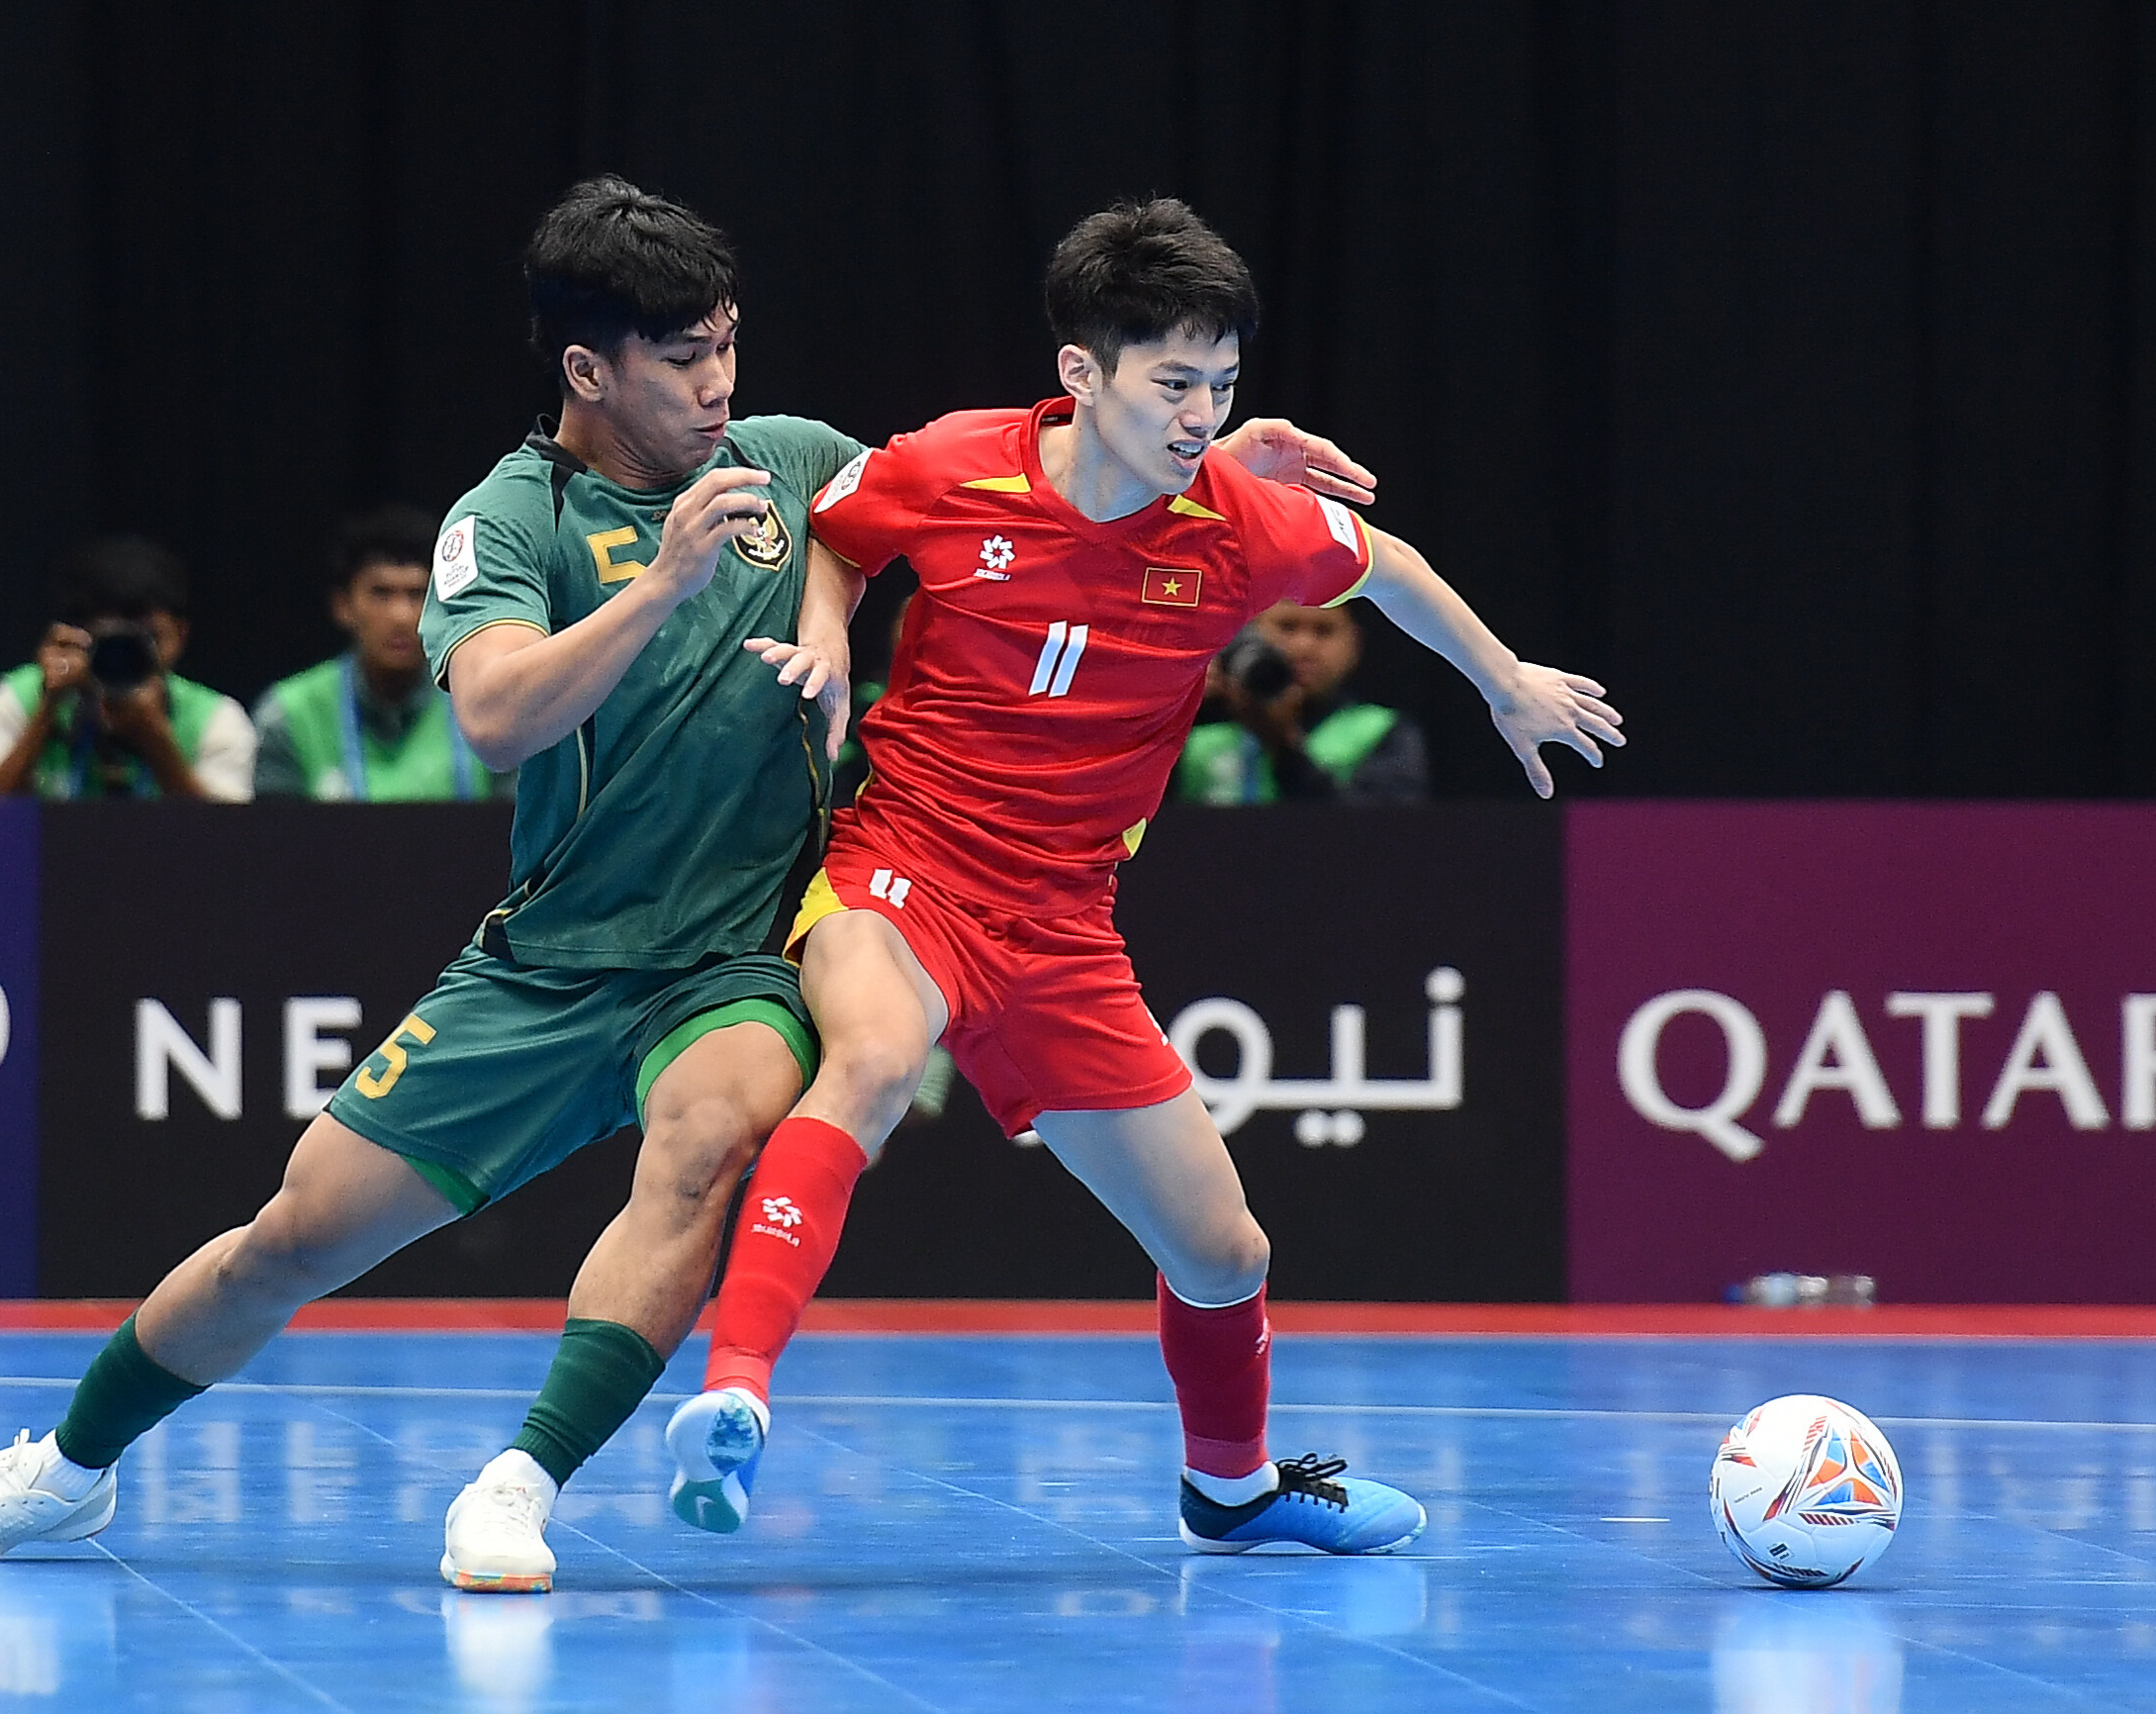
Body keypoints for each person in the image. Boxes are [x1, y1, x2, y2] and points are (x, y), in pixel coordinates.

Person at [0, 178, 1374, 1593]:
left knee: (710, 1139)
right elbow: (492, 715)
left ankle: (522, 1477)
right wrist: (661, 586)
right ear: (589, 369)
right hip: (547, 958)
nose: (720, 385)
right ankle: (68, 1465)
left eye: (729, 346)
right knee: (298, 1235)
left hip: (735, 960)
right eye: (683, 359)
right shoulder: (507, 520)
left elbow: (1009, 487)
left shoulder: (792, 461)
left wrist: (1191, 453)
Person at [667, 198, 1623, 1558]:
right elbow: (840, 528)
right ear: (1081, 372)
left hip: (1063, 927)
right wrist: (825, 637)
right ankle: (735, 1397)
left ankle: (1231, 1487)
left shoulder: (1236, 521)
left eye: (1219, 383)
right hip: (906, 865)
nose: (1200, 413)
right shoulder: (955, 464)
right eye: (1173, 382)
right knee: (872, 1062)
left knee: (1224, 1252)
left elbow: (1386, 565)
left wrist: (1504, 678)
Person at [0, 535, 255, 802]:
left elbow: (229, 842)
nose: (125, 655)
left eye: (148, 639)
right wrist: (46, 713)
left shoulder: (216, 718)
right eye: (109, 639)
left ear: (180, 635)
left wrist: (158, 743)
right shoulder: (24, 696)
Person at [250, 504, 506, 802]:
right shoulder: (288, 714)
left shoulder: (488, 705)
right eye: (381, 593)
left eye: (417, 594)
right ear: (343, 606)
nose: (401, 616)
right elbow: (274, 829)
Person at [1173, 600, 1429, 804]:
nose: (1304, 647)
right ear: (1248, 632)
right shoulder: (1194, 730)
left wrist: (1285, 747)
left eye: (1324, 631)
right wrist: (1175, 708)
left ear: (1354, 643)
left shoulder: (1382, 732)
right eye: (1287, 627)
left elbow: (1381, 838)